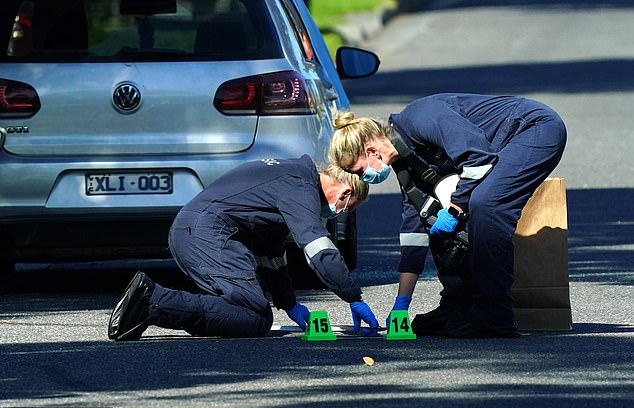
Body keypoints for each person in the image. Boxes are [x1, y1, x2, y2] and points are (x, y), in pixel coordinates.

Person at [329, 93, 567, 338]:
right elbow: (414, 231)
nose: (361, 178)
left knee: (487, 205)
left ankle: (494, 316)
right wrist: (402, 302)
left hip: (534, 129)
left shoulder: (420, 118)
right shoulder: (406, 165)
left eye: (357, 170)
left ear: (371, 151)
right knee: (434, 218)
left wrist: (456, 207)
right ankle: (457, 307)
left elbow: (479, 160)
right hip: (509, 142)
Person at [108, 155, 379, 341]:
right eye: (346, 208)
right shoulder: (300, 187)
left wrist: (289, 303)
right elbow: (318, 249)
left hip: (192, 231)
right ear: (345, 193)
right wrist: (353, 297)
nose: (337, 213)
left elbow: (269, 253)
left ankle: (155, 303)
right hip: (206, 234)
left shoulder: (289, 174)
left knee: (241, 308)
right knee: (254, 317)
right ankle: (152, 302)